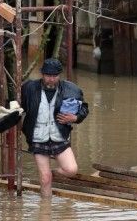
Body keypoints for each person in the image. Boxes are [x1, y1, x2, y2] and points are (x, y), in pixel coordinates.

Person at [20, 58, 89, 197]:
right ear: (42, 74)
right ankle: (46, 213)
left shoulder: (72, 89)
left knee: (71, 170)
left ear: (59, 75)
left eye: (54, 76)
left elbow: (84, 108)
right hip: (38, 137)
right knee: (45, 180)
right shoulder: (29, 88)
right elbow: (18, 106)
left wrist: (75, 118)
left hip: (60, 136)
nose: (51, 79)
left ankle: (48, 174)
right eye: (48, 75)